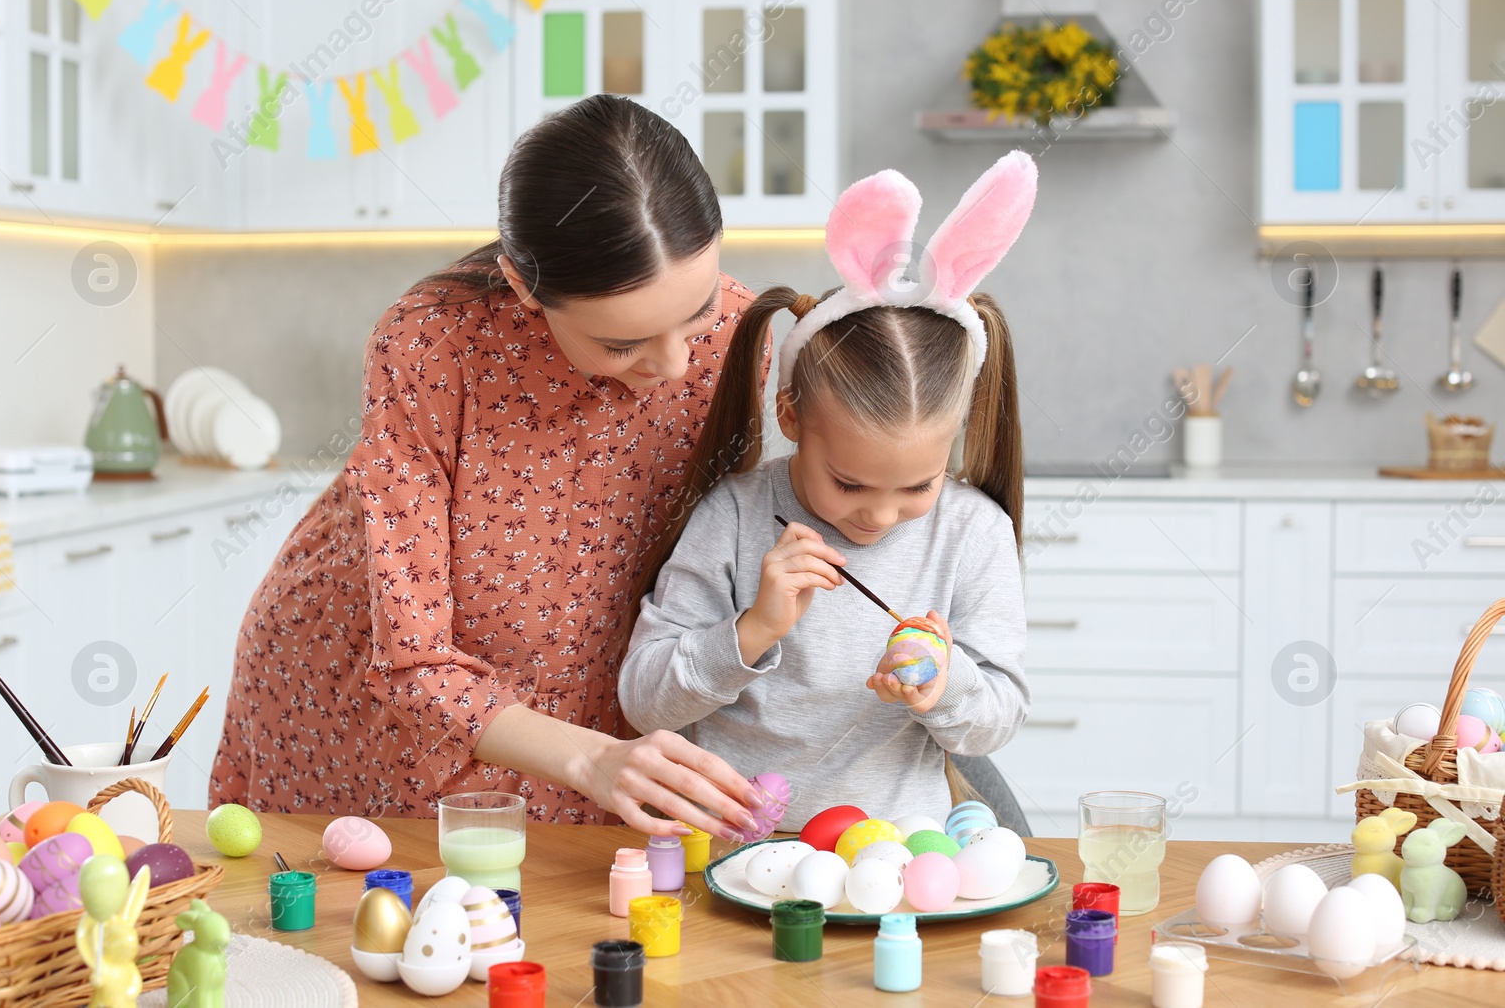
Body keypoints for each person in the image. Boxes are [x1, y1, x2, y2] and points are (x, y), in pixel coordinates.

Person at [209, 95, 764, 842]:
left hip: (600, 719)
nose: (671, 366)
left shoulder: (744, 333)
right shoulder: (434, 343)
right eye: (621, 345)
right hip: (371, 697)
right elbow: (410, 658)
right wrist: (593, 758)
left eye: (696, 314)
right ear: (527, 289)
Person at [620, 154, 1036, 827]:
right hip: (739, 861)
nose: (877, 513)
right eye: (848, 481)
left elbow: (995, 720)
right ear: (791, 416)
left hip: (897, 862)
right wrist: (752, 631)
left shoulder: (973, 533)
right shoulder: (732, 515)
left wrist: (944, 679)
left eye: (918, 484)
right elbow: (644, 698)